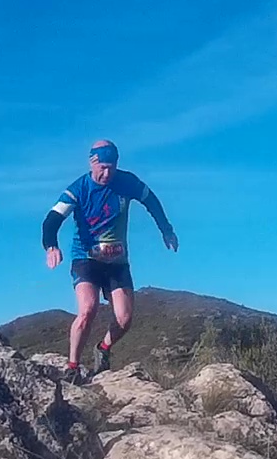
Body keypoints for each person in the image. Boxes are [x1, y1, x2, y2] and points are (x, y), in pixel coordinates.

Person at [41, 139, 178, 381]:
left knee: (124, 319)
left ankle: (103, 349)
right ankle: (72, 367)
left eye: (111, 168)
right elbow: (52, 219)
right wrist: (51, 245)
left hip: (117, 262)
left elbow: (151, 201)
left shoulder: (127, 182)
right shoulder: (78, 189)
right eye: (102, 168)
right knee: (88, 309)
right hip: (86, 258)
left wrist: (166, 229)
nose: (107, 174)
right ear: (92, 163)